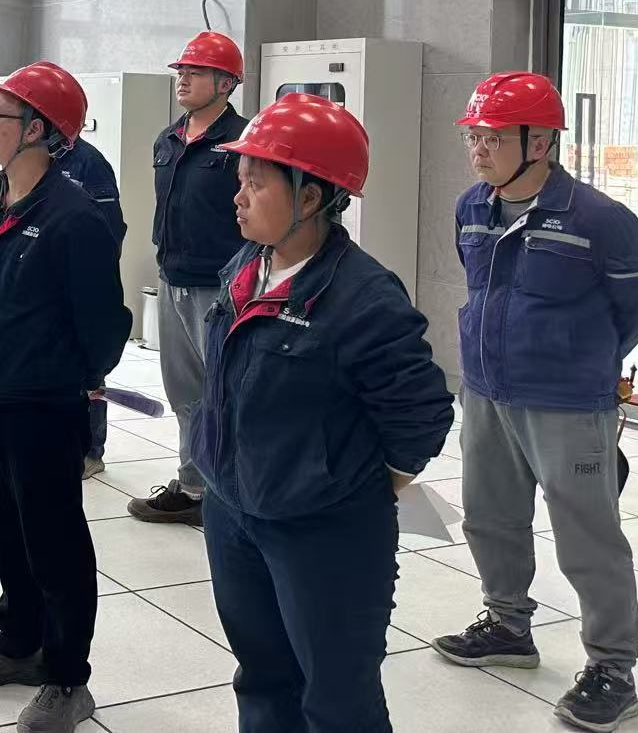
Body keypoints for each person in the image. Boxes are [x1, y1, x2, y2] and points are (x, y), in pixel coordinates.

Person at [193, 92, 453, 733]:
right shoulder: (245, 266)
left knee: (336, 695)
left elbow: (421, 413)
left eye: (257, 182)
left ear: (310, 198)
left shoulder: (364, 298)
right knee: (261, 674)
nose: (238, 196)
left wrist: (353, 483)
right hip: (233, 508)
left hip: (322, 530)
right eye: (241, 178)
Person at [433, 72, 638, 733]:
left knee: (588, 536)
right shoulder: (473, 206)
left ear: (541, 142)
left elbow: (635, 307)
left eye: (494, 137)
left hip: (568, 402)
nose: (479, 148)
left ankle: (612, 668)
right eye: (474, 136)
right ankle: (507, 624)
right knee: (489, 515)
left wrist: (578, 358)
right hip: (486, 390)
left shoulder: (600, 219)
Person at [0, 61, 129, 733]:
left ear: (37, 130)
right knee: (1, 527)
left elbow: (105, 325)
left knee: (55, 542)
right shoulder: (0, 199)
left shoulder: (73, 218)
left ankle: (66, 676)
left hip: (43, 403)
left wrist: (68, 375)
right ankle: (20, 639)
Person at [129, 30, 251, 526]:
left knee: (225, 391)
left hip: (222, 285)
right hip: (173, 278)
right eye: (181, 71)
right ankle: (195, 486)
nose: (182, 79)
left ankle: (232, 490)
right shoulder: (169, 138)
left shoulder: (245, 140)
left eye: (195, 72)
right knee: (185, 392)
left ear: (225, 83)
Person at [50, 119, 127, 478]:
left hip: (77, 282)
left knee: (89, 372)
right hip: (46, 283)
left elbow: (109, 230)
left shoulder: (89, 163)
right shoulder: (38, 160)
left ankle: (92, 452)